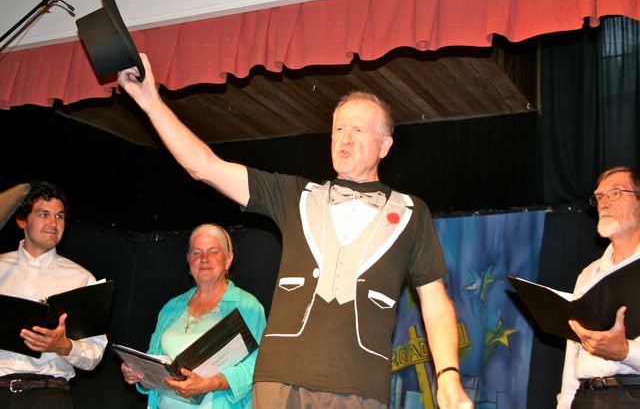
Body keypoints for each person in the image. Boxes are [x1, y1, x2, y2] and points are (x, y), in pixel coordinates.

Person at [118, 54, 471, 409]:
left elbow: (435, 300)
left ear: (384, 146)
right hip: (279, 383)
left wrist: (448, 375)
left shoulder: (410, 213)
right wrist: (151, 102)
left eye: (359, 130)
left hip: (360, 387)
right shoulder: (296, 196)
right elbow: (205, 166)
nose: (345, 139)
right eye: (339, 129)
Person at [121, 223, 266, 408]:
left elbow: (257, 366)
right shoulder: (171, 307)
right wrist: (139, 373)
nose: (204, 259)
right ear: (189, 261)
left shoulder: (247, 306)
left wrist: (209, 384)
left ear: (228, 260)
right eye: (196, 253)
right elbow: (153, 359)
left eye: (213, 251)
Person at [0, 181, 107, 408]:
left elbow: (94, 355)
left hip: (48, 396)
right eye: (43, 214)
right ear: (21, 220)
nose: (53, 223)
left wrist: (63, 346)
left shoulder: (81, 279)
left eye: (59, 216)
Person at [557, 166, 640, 409]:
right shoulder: (589, 274)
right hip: (585, 397)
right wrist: (565, 403)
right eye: (599, 196)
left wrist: (625, 352)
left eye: (615, 193)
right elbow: (573, 353)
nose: (603, 203)